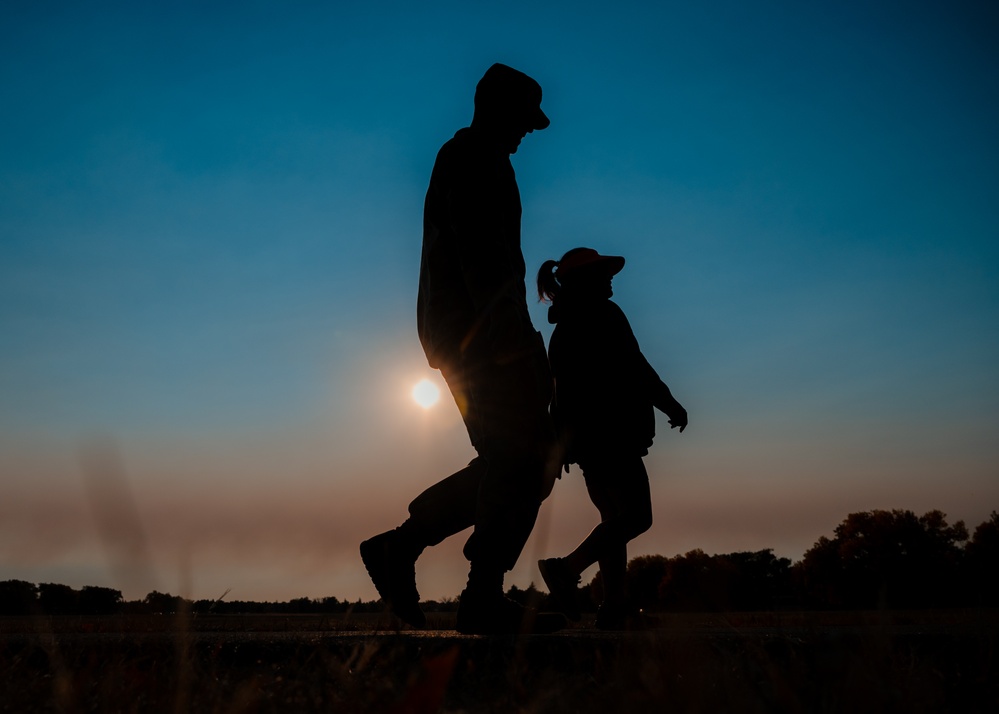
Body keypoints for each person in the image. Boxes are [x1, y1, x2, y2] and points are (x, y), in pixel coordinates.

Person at [360, 64, 565, 635]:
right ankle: (477, 591)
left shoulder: (470, 156)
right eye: (524, 120)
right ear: (497, 109)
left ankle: (405, 551)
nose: (528, 133)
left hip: (467, 333)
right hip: (483, 337)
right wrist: (514, 342)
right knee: (526, 457)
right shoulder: (476, 158)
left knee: (514, 458)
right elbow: (485, 259)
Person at [535, 247, 688, 630]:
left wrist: (564, 443)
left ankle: (614, 606)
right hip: (612, 436)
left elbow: (559, 393)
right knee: (636, 517)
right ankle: (565, 569)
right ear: (584, 280)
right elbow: (635, 366)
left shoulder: (564, 327)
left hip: (587, 443)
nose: (610, 278)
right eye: (602, 273)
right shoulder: (604, 315)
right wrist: (668, 403)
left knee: (612, 521)